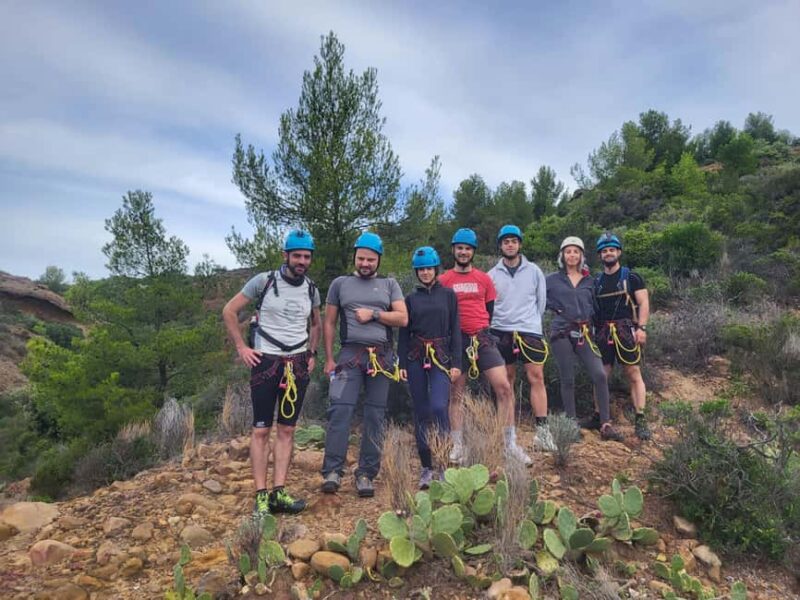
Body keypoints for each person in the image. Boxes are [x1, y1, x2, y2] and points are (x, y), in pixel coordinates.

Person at [222, 229, 321, 516]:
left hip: (297, 363)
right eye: (297, 255)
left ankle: (279, 492)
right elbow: (229, 311)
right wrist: (241, 347)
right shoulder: (263, 282)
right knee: (262, 429)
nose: (301, 261)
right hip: (266, 363)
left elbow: (316, 324)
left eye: (306, 256)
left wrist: (312, 353)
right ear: (286, 255)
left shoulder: (312, 289)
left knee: (288, 429)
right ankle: (261, 495)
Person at [320, 232, 408, 497]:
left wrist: (375, 315)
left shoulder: (390, 285)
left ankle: (367, 473)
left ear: (378, 259)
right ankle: (332, 471)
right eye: (361, 258)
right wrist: (329, 358)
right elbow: (329, 322)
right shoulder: (340, 284)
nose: (365, 263)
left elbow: (403, 318)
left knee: (375, 415)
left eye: (370, 259)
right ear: (355, 258)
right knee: (340, 411)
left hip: (381, 357)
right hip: (349, 356)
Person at [440, 228, 532, 466]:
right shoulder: (444, 280)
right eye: (459, 248)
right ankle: (458, 445)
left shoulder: (484, 279)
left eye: (467, 248)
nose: (463, 252)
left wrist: (479, 330)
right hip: (456, 342)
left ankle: (509, 444)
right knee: (456, 394)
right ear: (454, 250)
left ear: (473, 252)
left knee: (504, 387)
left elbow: (489, 310)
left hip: (482, 339)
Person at [546, 236, 622, 441]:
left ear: (581, 255)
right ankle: (571, 424)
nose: (572, 255)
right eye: (568, 251)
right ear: (562, 255)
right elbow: (537, 301)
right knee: (567, 379)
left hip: (585, 333)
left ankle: (605, 424)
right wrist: (554, 309)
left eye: (576, 251)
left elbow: (597, 307)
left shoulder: (590, 281)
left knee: (599, 374)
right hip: (561, 333)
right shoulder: (551, 280)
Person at [398, 247, 462, 489]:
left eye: (429, 268)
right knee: (421, 410)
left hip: (441, 357)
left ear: (436, 269)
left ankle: (444, 464)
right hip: (415, 356)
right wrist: (402, 363)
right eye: (421, 269)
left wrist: (457, 363)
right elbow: (403, 333)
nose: (425, 272)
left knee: (438, 407)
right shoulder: (410, 299)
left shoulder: (448, 295)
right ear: (417, 271)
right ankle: (426, 467)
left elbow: (455, 329)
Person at [488, 225, 555, 452]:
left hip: (529, 331)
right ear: (500, 245)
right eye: (505, 241)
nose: (510, 245)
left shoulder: (535, 271)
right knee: (506, 382)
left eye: (514, 241)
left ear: (520, 244)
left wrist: (531, 324)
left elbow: (541, 302)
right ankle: (508, 438)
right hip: (501, 330)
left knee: (536, 377)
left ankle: (543, 433)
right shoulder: (492, 275)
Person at [589, 232, 652, 440]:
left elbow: (643, 302)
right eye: (604, 250)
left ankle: (640, 419)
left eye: (612, 250)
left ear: (619, 252)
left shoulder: (632, 277)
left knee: (633, 372)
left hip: (627, 330)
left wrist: (641, 328)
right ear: (600, 255)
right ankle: (599, 416)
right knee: (601, 375)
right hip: (603, 332)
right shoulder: (596, 281)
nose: (608, 253)